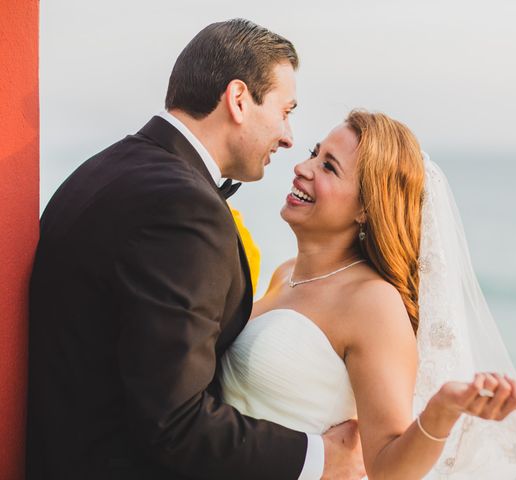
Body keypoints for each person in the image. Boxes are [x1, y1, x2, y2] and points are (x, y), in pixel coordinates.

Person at [27, 19, 364, 480]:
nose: (288, 137)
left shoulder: (104, 169)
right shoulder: (185, 209)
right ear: (239, 100)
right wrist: (321, 458)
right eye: (285, 111)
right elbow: (173, 424)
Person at [219, 110, 516, 479]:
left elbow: (386, 468)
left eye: (329, 167)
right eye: (314, 154)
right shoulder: (284, 273)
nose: (302, 168)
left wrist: (441, 410)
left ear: (366, 208)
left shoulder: (372, 302)